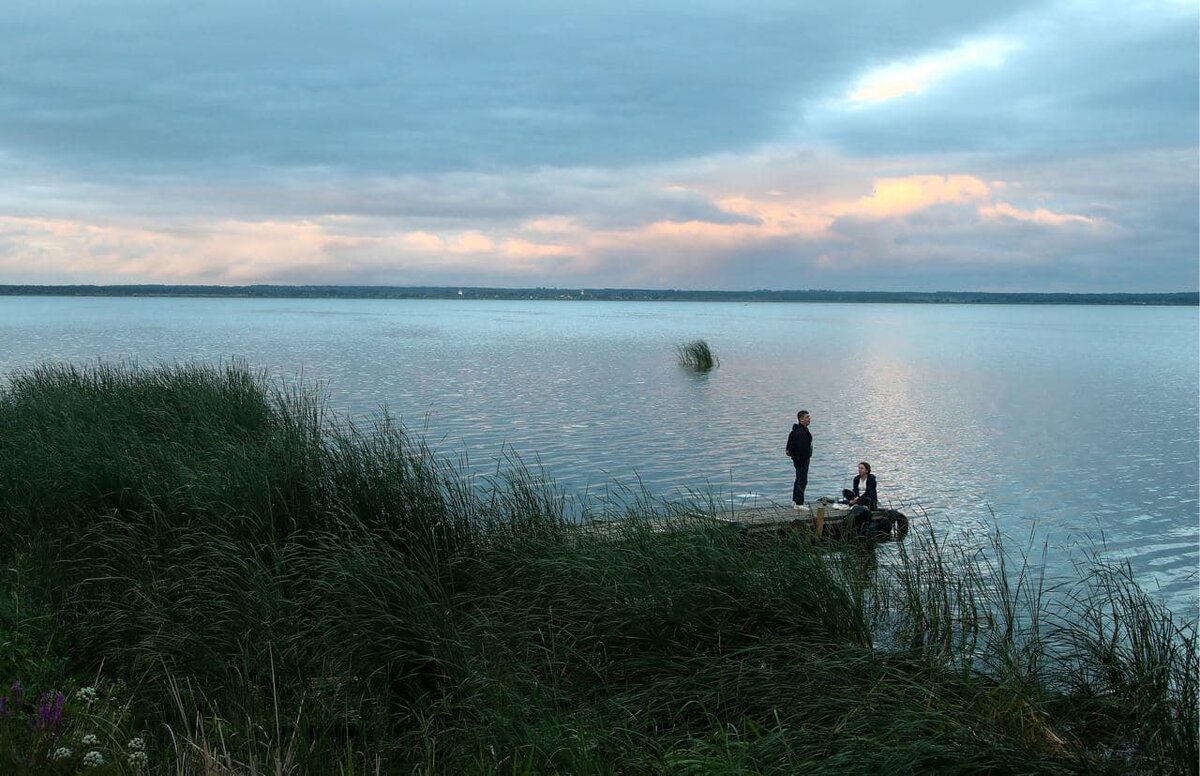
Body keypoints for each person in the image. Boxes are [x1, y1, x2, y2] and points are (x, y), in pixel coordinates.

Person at [785, 410, 813, 508]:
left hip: (797, 460)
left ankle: (795, 500)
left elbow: (788, 449)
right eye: (807, 417)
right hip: (802, 460)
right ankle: (799, 503)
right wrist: (802, 458)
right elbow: (802, 448)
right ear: (801, 419)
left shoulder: (795, 431)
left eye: (809, 417)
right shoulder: (802, 432)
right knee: (802, 480)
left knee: (798, 479)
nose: (809, 419)